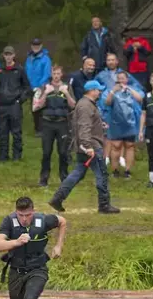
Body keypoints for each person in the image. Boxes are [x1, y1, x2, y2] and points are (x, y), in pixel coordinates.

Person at [49, 80, 120, 214]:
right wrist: (88, 146)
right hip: (91, 146)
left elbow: (87, 124)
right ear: (92, 90)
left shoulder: (86, 104)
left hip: (85, 145)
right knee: (102, 174)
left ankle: (57, 199)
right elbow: (84, 126)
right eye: (98, 90)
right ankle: (104, 204)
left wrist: (100, 125)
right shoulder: (86, 106)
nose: (100, 92)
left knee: (77, 173)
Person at [32, 64, 76, 187]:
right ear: (51, 74)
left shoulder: (67, 87)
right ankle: (44, 179)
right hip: (47, 122)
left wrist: (66, 93)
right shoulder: (45, 86)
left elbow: (73, 105)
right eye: (54, 73)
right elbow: (37, 106)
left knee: (63, 152)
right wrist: (46, 93)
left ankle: (64, 178)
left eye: (58, 73)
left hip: (62, 123)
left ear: (61, 74)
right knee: (46, 152)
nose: (56, 76)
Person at [105, 70, 144, 178]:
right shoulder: (111, 90)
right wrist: (113, 91)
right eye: (119, 78)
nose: (121, 80)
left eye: (123, 78)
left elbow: (140, 99)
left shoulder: (132, 89)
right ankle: (115, 170)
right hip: (116, 123)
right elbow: (107, 102)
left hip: (130, 123)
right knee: (116, 146)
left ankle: (128, 171)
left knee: (130, 146)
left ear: (127, 79)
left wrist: (130, 89)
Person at [0, 46, 31, 161]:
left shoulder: (19, 69)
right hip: (2, 105)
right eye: (6, 54)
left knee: (16, 131)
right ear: (3, 56)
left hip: (14, 105)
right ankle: (3, 155)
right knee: (2, 131)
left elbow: (27, 88)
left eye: (10, 54)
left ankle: (17, 155)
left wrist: (20, 100)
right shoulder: (0, 70)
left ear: (14, 55)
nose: (8, 57)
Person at [25, 38, 52, 135]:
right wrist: (28, 85)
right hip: (31, 86)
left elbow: (47, 73)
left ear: (41, 46)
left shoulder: (46, 58)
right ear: (31, 46)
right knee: (33, 109)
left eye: (37, 45)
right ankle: (37, 129)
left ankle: (43, 129)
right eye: (34, 45)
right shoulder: (29, 58)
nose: (35, 47)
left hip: (41, 87)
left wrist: (41, 86)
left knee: (41, 108)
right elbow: (26, 71)